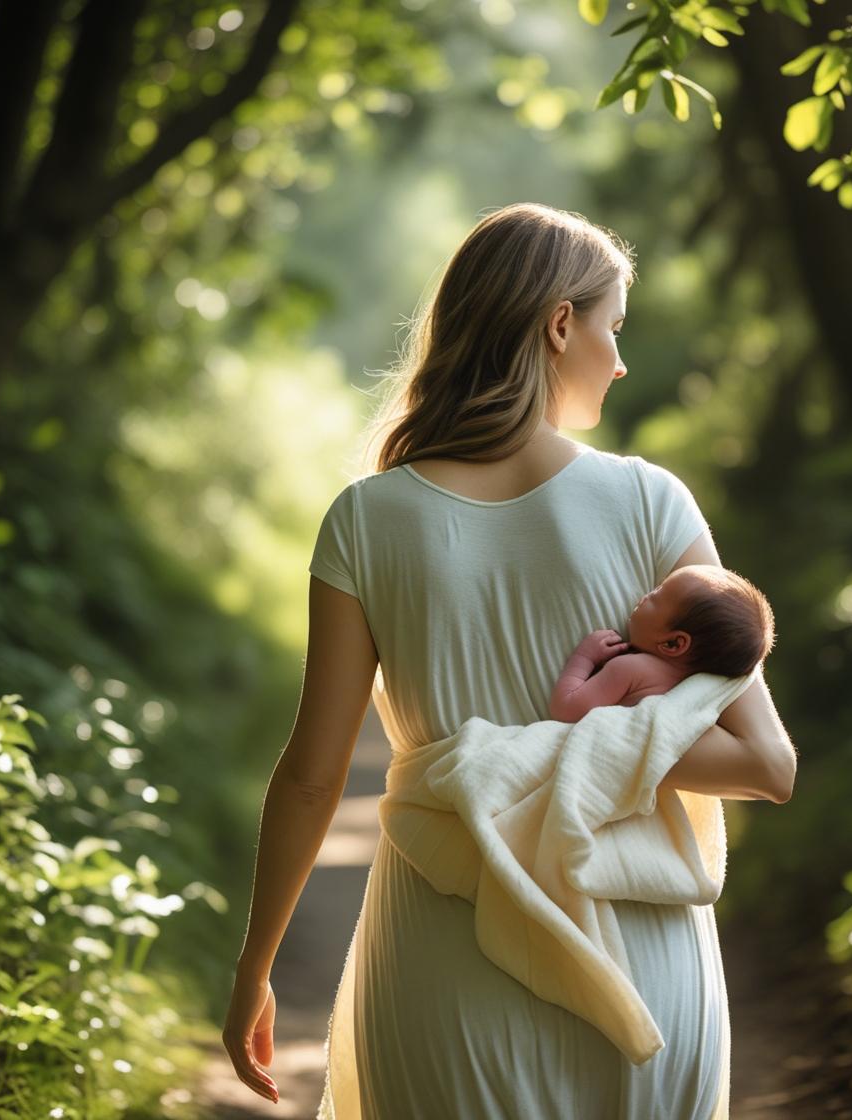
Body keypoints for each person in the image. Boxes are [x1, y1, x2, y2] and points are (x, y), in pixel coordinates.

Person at [222, 202, 797, 1118]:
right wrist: (600, 749)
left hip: (449, 954)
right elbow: (768, 764)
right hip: (639, 963)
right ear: (559, 323)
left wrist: (255, 970)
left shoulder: (366, 521)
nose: (617, 359)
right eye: (612, 328)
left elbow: (309, 778)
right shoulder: (653, 503)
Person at [549, 564, 776, 721]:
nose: (646, 594)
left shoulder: (630, 669)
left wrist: (584, 658)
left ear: (673, 644)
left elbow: (566, 710)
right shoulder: (692, 690)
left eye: (657, 595)